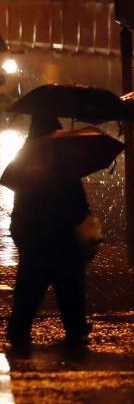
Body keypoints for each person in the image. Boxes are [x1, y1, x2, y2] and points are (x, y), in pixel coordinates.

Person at [7, 116, 91, 350]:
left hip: (34, 236)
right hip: (62, 235)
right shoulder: (65, 164)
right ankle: (75, 328)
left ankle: (19, 329)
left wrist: (21, 232)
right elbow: (78, 205)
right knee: (69, 286)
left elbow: (20, 201)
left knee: (29, 286)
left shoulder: (25, 161)